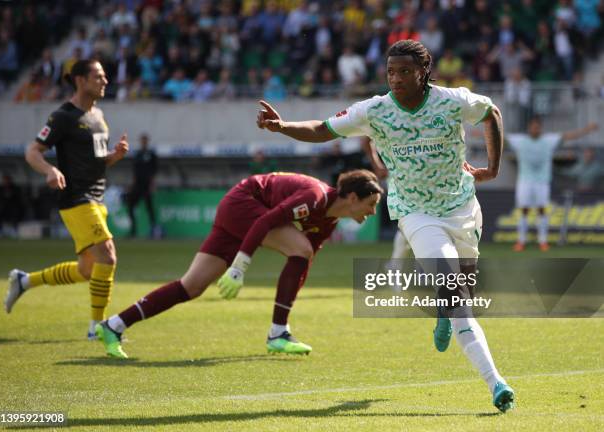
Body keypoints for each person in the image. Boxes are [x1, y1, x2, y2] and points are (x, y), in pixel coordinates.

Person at [256, 40, 515, 413]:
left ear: (423, 72)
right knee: (456, 294)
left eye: (404, 72)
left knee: (462, 292)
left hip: (462, 208)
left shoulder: (453, 100)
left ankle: (444, 311)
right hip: (416, 214)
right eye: (391, 72)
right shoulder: (375, 110)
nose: (395, 79)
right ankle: (497, 383)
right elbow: (322, 128)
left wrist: (492, 167)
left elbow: (491, 113)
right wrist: (282, 127)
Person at [96, 170, 383, 359]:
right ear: (353, 197)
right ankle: (278, 332)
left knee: (191, 286)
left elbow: (305, 258)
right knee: (300, 248)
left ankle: (114, 325)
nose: (372, 212)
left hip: (238, 214)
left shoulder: (329, 221)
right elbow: (265, 222)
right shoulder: (316, 197)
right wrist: (239, 267)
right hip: (242, 204)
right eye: (370, 204)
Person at [4, 59, 129, 340]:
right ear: (79, 80)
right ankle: (97, 328)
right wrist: (50, 170)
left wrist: (114, 157)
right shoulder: (63, 116)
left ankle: (24, 281)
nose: (105, 81)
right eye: (98, 76)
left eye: (105, 76)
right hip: (76, 198)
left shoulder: (98, 117)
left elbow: (97, 161)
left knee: (88, 270)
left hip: (97, 198)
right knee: (107, 256)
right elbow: (33, 151)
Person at [507, 116, 598, 251]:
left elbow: (569, 136)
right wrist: (480, 133)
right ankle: (521, 241)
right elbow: (499, 136)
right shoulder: (520, 141)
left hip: (542, 182)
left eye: (537, 126)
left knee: (542, 210)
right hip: (525, 181)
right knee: (524, 210)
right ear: (529, 128)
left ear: (540, 128)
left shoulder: (549, 140)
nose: (535, 129)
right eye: (533, 126)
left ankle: (543, 241)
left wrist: (587, 130)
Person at [127, 133, 158, 238]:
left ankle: (153, 231)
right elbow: (134, 171)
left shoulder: (151, 154)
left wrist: (152, 183)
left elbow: (154, 170)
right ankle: (133, 231)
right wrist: (132, 184)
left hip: (147, 185)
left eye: (145, 140)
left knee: (150, 208)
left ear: (147, 141)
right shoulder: (137, 154)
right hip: (138, 185)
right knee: (131, 205)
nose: (143, 142)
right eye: (142, 140)